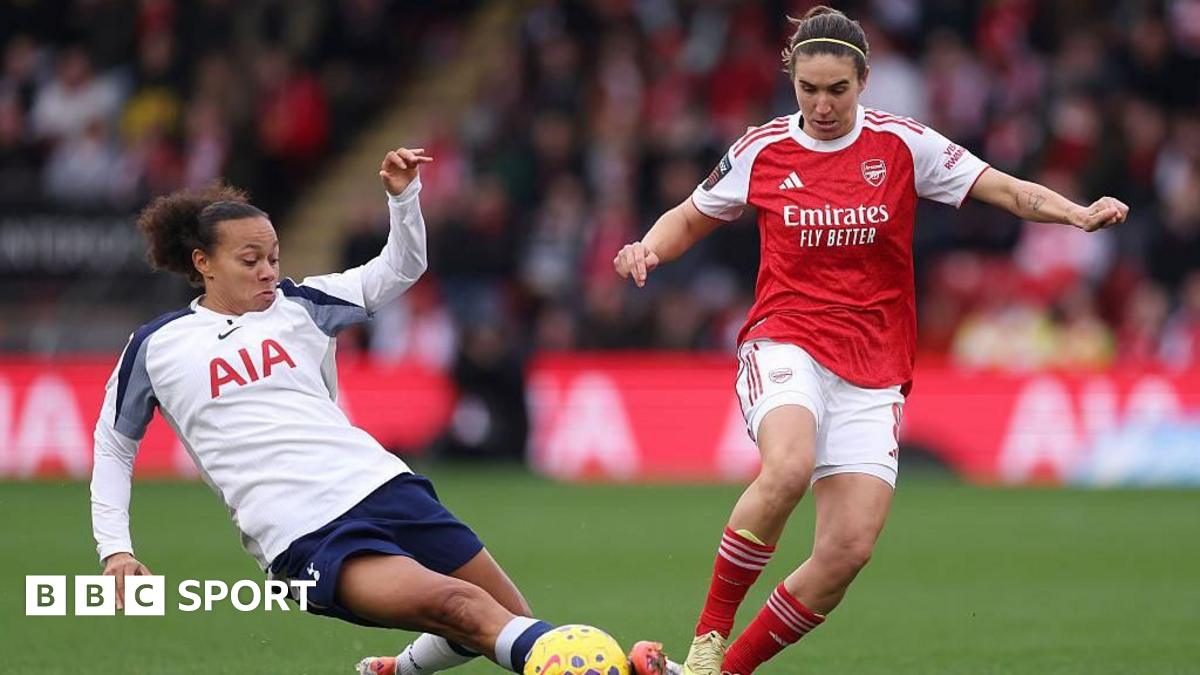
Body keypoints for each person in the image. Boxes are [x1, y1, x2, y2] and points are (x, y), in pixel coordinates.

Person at [615, 8, 1127, 675]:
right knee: (788, 467)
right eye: (809, 89)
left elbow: (1002, 188)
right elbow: (690, 216)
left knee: (846, 551)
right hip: (786, 339)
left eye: (837, 89)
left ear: (864, 80)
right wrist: (647, 248)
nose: (823, 105)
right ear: (792, 81)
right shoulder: (761, 149)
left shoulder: (903, 145)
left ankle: (723, 673)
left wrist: (1075, 213)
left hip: (874, 366)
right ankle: (707, 639)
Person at [90, 146, 665, 675]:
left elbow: (401, 267)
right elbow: (115, 444)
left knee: (504, 616)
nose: (268, 271)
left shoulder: (302, 305)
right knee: (462, 607)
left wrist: (404, 198)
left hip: (383, 485)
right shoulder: (158, 346)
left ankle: (399, 670)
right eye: (250, 260)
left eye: (273, 257)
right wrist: (116, 550)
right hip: (301, 530)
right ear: (204, 262)